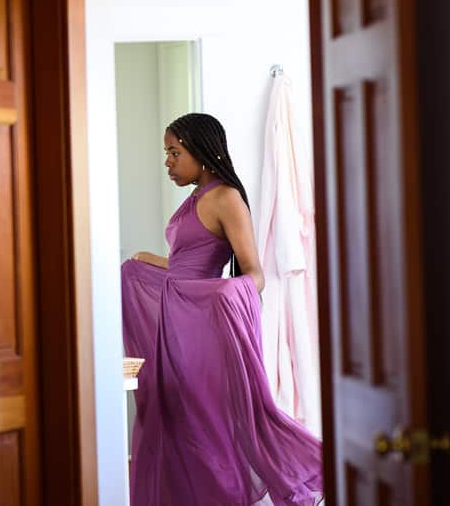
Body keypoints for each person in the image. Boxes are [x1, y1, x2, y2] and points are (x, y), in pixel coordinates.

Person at [122, 112, 323, 506]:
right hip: (176, 326)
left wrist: (218, 295)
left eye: (174, 153)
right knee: (173, 417)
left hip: (203, 330)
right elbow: (185, 266)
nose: (168, 162)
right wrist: (149, 261)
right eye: (167, 153)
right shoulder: (195, 198)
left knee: (205, 425)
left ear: (200, 151)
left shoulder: (225, 198)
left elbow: (254, 274)